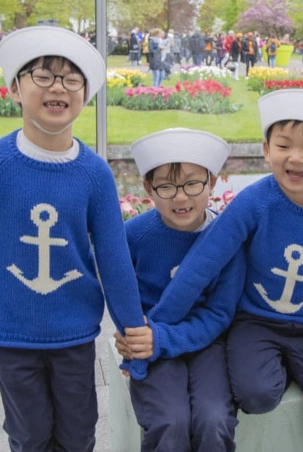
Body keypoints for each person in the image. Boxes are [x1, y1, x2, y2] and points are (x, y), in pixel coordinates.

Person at [0, 26, 150, 452]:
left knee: (78, 433)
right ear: (15, 89)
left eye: (72, 79)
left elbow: (113, 259)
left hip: (74, 332)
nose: (59, 87)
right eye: (43, 75)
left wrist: (134, 335)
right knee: (30, 435)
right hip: (11, 333)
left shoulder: (95, 174)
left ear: (85, 95)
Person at [147, 89, 303, 451]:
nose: (295, 158)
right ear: (266, 150)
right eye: (283, 146)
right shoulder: (255, 202)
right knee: (257, 396)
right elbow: (203, 262)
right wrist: (158, 328)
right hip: (254, 322)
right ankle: (286, 369)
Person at [116, 128, 245, 452]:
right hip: (151, 349)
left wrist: (162, 337)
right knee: (169, 421)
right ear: (148, 187)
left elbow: (219, 313)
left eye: (192, 183)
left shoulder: (227, 240)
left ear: (212, 182)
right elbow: (115, 286)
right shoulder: (134, 236)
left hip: (208, 345)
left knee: (214, 419)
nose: (181, 197)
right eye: (166, 186)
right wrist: (130, 332)